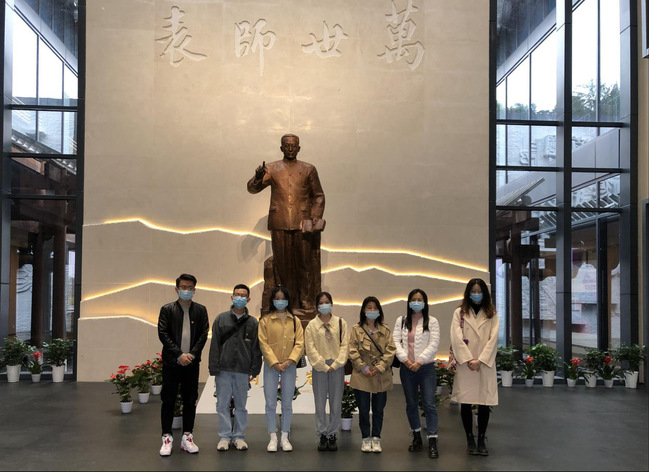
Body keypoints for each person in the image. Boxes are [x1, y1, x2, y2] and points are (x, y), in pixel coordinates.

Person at [247, 134, 325, 315]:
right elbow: (252, 189)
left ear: (299, 148)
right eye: (287, 146)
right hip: (279, 222)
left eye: (293, 146)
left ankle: (305, 301)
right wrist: (257, 177)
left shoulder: (308, 169)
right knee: (282, 266)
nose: (290, 149)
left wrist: (314, 218)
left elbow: (319, 196)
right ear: (281, 148)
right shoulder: (271, 168)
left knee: (304, 263)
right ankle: (288, 302)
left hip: (303, 223)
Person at [157, 274, 209, 456]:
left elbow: (203, 334)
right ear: (176, 289)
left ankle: (187, 436)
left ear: (195, 290)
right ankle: (166, 437)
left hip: (191, 363)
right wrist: (179, 354)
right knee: (168, 399)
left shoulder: (201, 310)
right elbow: (163, 334)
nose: (186, 290)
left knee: (190, 399)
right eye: (183, 287)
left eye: (190, 288)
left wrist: (191, 355)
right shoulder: (167, 310)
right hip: (172, 362)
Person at [208, 284, 262, 452]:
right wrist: (214, 367)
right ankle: (224, 437)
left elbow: (256, 348)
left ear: (248, 299)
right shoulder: (221, 319)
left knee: (241, 406)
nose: (240, 298)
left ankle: (239, 436)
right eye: (237, 294)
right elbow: (214, 345)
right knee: (222, 405)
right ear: (232, 297)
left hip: (242, 370)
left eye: (243, 295)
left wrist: (254, 369)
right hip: (223, 370)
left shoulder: (253, 323)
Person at [450, 278, 499, 456]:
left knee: (484, 402)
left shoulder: (491, 312)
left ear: (484, 293)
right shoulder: (460, 312)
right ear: (468, 292)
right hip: (466, 364)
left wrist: (481, 360)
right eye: (473, 291)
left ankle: (481, 439)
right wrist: (469, 359)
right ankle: (469, 438)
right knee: (466, 400)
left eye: (479, 291)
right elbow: (456, 337)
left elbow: (494, 339)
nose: (476, 294)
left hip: (484, 364)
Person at [393, 288, 441, 458]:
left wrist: (419, 361)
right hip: (407, 369)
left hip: (426, 368)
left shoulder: (432, 321)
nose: (416, 302)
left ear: (425, 302)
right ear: (409, 302)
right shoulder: (401, 320)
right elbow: (395, 342)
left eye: (420, 299)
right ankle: (416, 436)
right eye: (413, 299)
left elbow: (434, 343)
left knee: (429, 403)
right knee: (411, 404)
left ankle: (433, 439)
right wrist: (406, 361)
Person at [258, 286, 305, 452]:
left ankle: (285, 436)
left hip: (289, 366)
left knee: (287, 402)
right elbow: (263, 343)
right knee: (270, 402)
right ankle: (272, 436)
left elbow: (300, 343)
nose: (280, 301)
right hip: (271, 366)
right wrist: (274, 362)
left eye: (283, 298)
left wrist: (289, 360)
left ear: (288, 300)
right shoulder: (265, 320)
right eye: (277, 298)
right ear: (272, 300)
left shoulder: (295, 320)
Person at [348, 296, 396, 453]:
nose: (372, 311)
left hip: (381, 375)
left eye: (375, 308)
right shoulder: (356, 329)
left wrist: (380, 367)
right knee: (363, 409)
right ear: (363, 310)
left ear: (379, 311)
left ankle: (376, 438)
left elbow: (391, 350)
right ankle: (365, 438)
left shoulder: (385, 330)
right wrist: (363, 367)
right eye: (369, 308)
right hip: (362, 374)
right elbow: (352, 350)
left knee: (378, 409)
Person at [304, 291, 349, 451]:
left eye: (326, 302)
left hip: (337, 366)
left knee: (336, 402)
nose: (324, 305)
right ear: (317, 306)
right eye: (321, 303)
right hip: (319, 367)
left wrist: (336, 364)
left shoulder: (341, 323)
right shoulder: (311, 325)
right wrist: (322, 365)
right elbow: (310, 348)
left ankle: (332, 434)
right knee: (320, 402)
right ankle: (322, 433)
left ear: (331, 303)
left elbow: (345, 346)